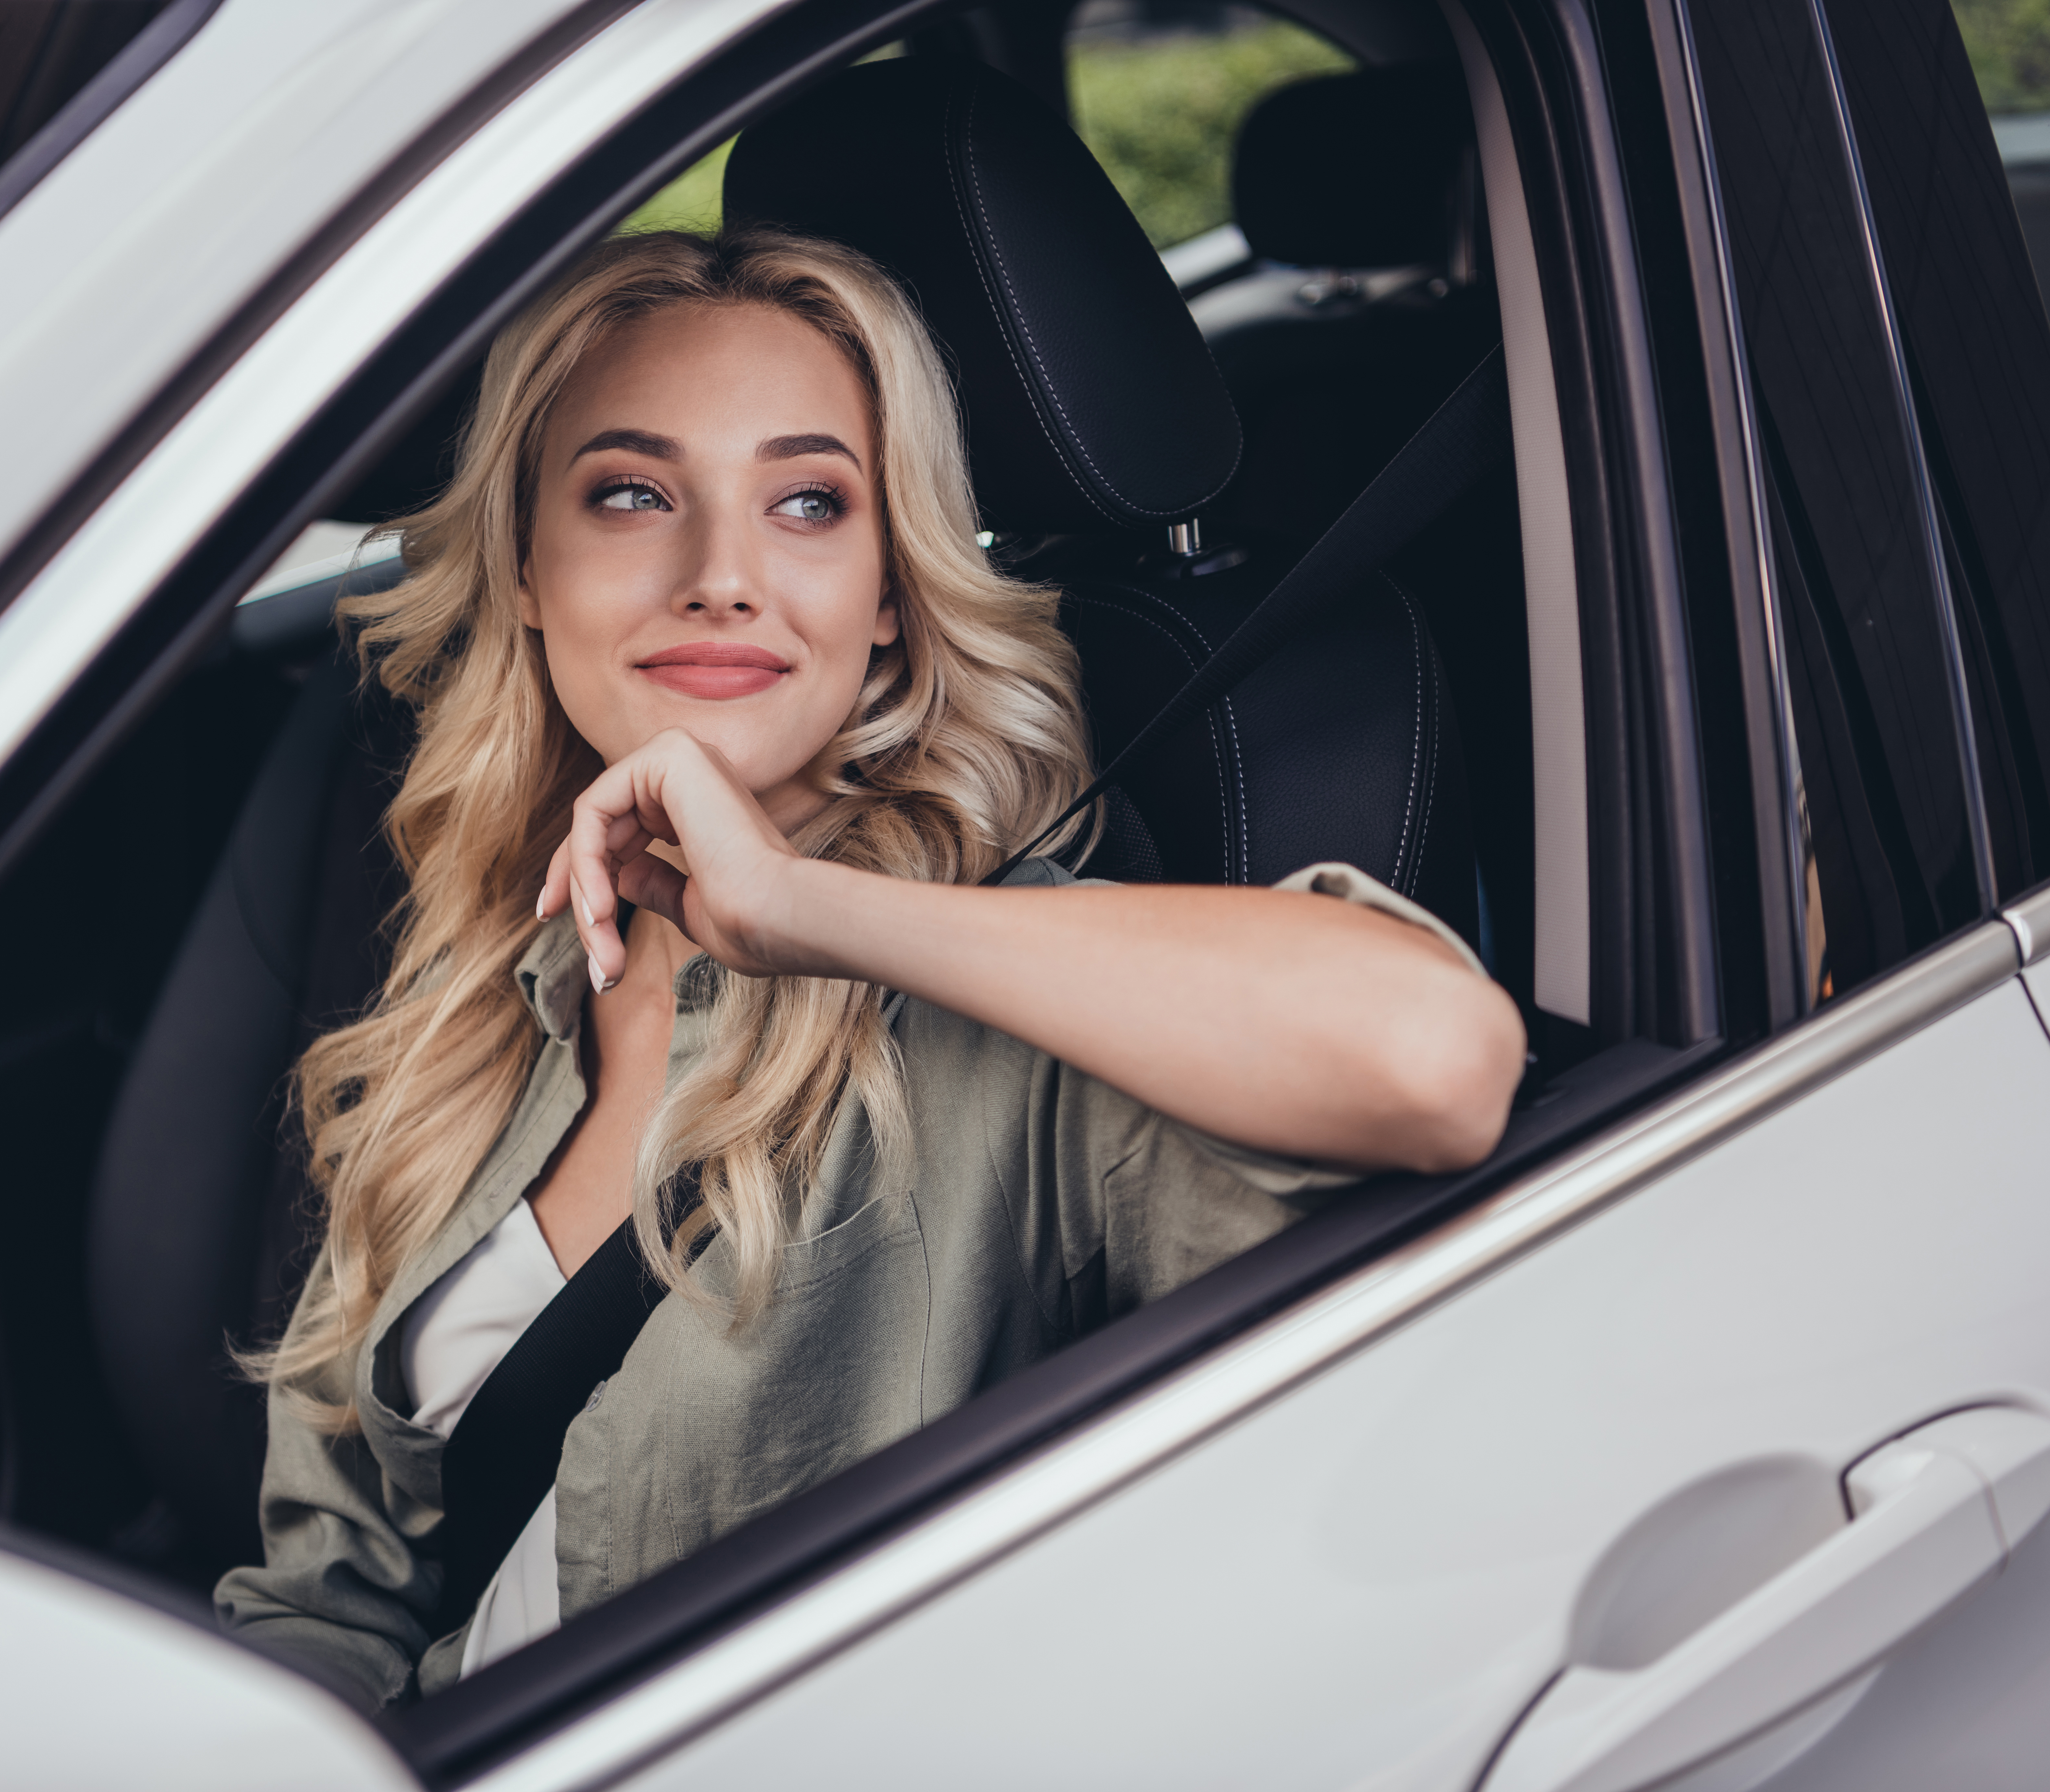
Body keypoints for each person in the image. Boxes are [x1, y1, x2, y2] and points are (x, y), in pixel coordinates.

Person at [215, 227, 1524, 1708]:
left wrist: (802, 904)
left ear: (892, 593)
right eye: (635, 493)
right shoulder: (480, 985)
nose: (723, 576)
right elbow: (326, 1592)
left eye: (811, 503)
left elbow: (1440, 1062)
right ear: (526, 569)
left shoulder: (1007, 1016)